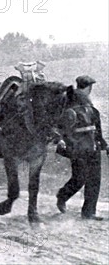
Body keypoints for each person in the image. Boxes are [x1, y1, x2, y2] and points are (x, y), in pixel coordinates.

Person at [56, 75, 108, 221]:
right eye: (90, 87)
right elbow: (61, 125)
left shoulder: (89, 106)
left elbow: (96, 127)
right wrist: (62, 140)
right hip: (78, 146)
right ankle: (62, 196)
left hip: (92, 145)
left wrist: (103, 144)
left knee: (94, 179)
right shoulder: (69, 102)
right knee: (80, 177)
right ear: (88, 87)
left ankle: (89, 212)